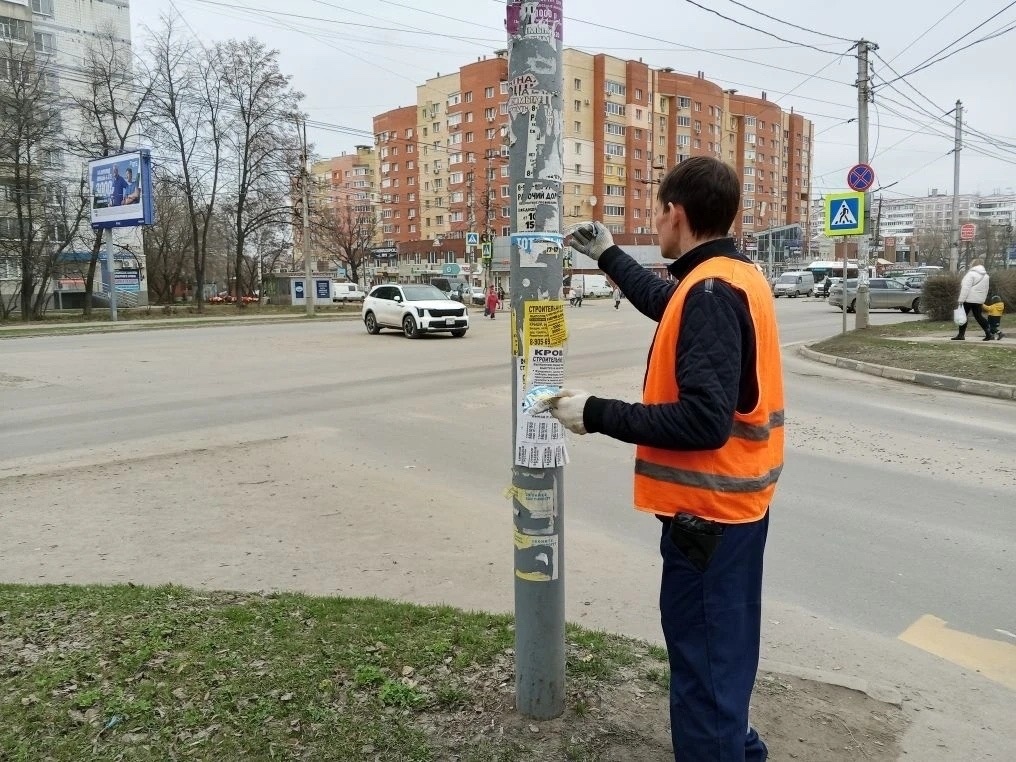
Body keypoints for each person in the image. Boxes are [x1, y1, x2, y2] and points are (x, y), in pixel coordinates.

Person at [549, 156, 782, 762]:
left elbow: (704, 421)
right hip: (734, 513)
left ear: (675, 213)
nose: (655, 223)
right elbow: (666, 300)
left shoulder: (710, 291)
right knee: (721, 661)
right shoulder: (732, 276)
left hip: (708, 520)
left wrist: (595, 412)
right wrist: (608, 255)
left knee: (705, 678)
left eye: (657, 212)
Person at [952, 258, 991, 341]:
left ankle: (961, 335)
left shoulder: (970, 274)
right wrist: (982, 299)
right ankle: (988, 332)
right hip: (979, 300)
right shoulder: (986, 276)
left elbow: (965, 288)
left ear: (973, 264)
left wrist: (961, 300)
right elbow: (986, 289)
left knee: (963, 316)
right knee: (979, 316)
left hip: (968, 299)